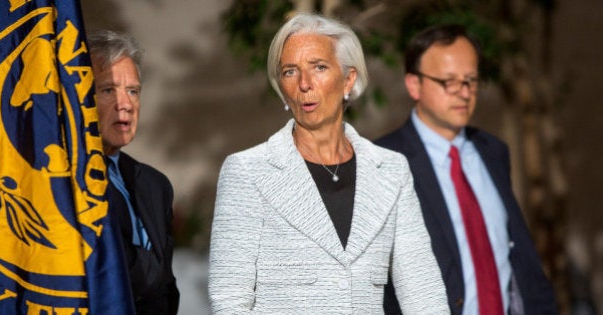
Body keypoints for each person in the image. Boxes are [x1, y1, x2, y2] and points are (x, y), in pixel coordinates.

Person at [208, 13, 448, 314]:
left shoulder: (391, 170)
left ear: (348, 79)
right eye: (290, 72)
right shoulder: (248, 171)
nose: (305, 84)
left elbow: (423, 293)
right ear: (281, 86)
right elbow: (230, 298)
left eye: (319, 67)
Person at [375, 24, 557, 314]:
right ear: (414, 85)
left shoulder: (493, 151)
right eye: (449, 81)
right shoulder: (382, 162)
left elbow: (517, 255)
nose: (464, 93)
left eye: (471, 80)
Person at [88, 30, 179, 314]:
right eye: (108, 90)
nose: (125, 104)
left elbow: (165, 284)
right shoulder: (63, 178)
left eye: (133, 91)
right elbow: (114, 269)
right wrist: (150, 269)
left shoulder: (155, 183)